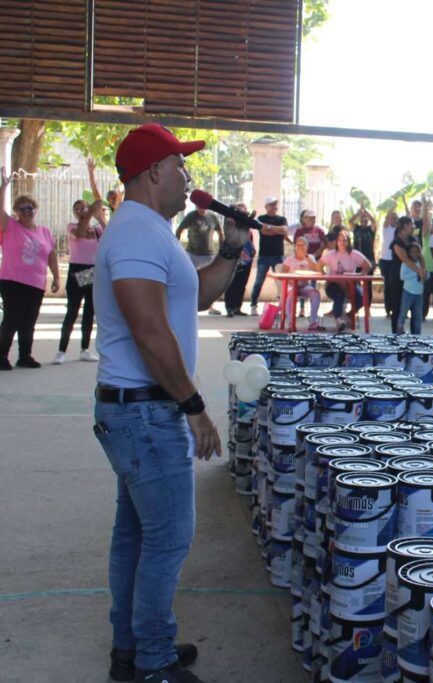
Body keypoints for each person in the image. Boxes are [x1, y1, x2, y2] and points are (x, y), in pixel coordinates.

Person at [93, 123, 248, 683]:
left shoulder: (150, 231)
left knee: (136, 534)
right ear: (155, 170)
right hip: (146, 411)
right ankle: (152, 662)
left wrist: (231, 249)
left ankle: (131, 648)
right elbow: (150, 333)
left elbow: (198, 295)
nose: (189, 178)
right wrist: (195, 406)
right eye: (182, 166)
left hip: (140, 410)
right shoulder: (136, 233)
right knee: (169, 537)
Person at [0, 170, 59, 370]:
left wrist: (56, 277)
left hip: (36, 282)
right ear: (17, 211)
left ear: (35, 209)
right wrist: (4, 187)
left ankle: (25, 356)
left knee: (29, 321)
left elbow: (52, 254)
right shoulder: (11, 227)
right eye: (22, 208)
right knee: (12, 319)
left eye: (30, 207)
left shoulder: (45, 232)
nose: (27, 211)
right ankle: (1, 356)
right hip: (12, 281)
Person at [56, 197, 107, 364]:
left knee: (89, 312)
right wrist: (90, 212)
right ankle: (61, 350)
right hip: (76, 271)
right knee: (72, 311)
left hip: (92, 271)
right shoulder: (73, 227)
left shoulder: (97, 230)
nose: (80, 211)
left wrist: (99, 216)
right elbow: (79, 233)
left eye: (82, 208)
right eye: (77, 209)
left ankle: (84, 349)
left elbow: (110, 235)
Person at [321, 229, 373, 332]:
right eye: (340, 240)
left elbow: (368, 266)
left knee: (362, 297)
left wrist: (358, 275)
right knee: (338, 296)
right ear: (337, 242)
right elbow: (318, 265)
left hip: (350, 284)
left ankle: (349, 315)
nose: (342, 243)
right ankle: (339, 321)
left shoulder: (354, 254)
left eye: (344, 240)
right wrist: (326, 276)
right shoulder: (331, 254)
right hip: (333, 284)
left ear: (348, 241)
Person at [249, 197, 289, 315]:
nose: (274, 207)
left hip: (278, 255)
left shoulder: (282, 219)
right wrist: (276, 230)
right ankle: (253, 305)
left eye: (275, 204)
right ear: (266, 206)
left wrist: (270, 227)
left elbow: (284, 230)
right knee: (259, 281)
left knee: (280, 283)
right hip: (264, 256)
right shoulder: (261, 218)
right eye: (271, 205)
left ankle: (282, 306)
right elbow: (263, 231)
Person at [281, 237, 324, 331]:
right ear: (295, 247)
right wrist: (292, 282)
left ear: (307, 247)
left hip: (305, 286)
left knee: (316, 294)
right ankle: (291, 323)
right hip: (292, 286)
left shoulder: (310, 257)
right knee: (291, 295)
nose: (300, 247)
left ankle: (313, 323)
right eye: (298, 245)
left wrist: (307, 257)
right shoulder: (289, 259)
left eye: (302, 245)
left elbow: (317, 271)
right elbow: (282, 275)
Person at [224, 202, 255, 318]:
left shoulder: (248, 226)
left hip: (247, 259)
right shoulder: (233, 225)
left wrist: (253, 251)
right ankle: (229, 307)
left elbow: (250, 240)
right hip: (235, 259)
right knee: (232, 283)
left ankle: (237, 307)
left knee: (242, 284)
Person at [175, 204, 223, 270]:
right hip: (192, 253)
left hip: (208, 254)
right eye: (199, 206)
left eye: (203, 206)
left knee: (209, 275)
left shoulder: (213, 217)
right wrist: (177, 245)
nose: (201, 209)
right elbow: (180, 229)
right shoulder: (191, 216)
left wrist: (221, 248)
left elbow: (220, 232)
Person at [398, 242, 426, 334]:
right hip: (408, 291)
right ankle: (400, 329)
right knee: (403, 312)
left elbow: (426, 275)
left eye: (417, 252)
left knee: (418, 315)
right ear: (408, 253)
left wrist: (424, 275)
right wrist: (416, 273)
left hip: (419, 293)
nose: (414, 254)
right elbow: (402, 276)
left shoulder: (421, 263)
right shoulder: (406, 264)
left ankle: (418, 334)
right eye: (412, 252)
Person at [379, 210, 398, 319]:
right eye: (392, 217)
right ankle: (388, 310)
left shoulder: (399, 230)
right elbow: (386, 219)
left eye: (396, 218)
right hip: (385, 260)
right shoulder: (386, 228)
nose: (394, 219)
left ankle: (396, 309)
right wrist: (391, 208)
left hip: (396, 260)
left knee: (395, 286)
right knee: (388, 286)